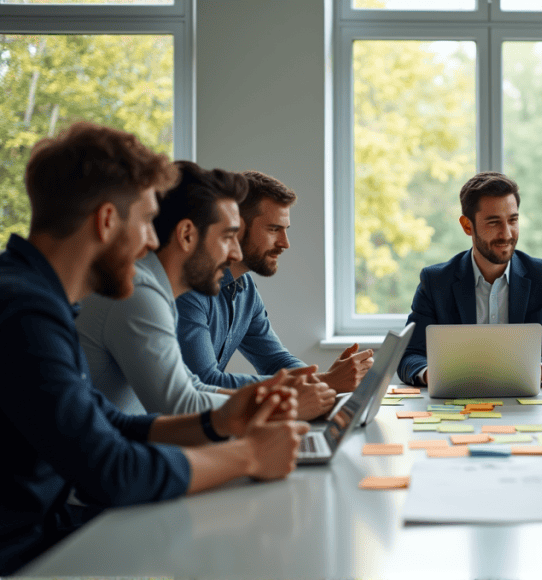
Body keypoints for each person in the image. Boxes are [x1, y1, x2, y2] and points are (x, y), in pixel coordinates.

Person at [0, 122, 311, 575]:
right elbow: (112, 470)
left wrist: (220, 420)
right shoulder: (23, 312)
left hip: (48, 533)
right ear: (107, 221)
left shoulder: (39, 298)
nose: (152, 241)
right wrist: (248, 455)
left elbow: (108, 423)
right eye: (146, 221)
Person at [76, 161, 336, 420]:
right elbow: (179, 405)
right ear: (187, 235)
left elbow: (194, 388)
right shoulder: (138, 293)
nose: (235, 252)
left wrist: (284, 397)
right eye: (227, 237)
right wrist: (284, 405)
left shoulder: (156, 291)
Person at [175, 170, 373, 394]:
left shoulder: (244, 288)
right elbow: (205, 381)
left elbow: (274, 360)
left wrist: (320, 382)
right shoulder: (190, 288)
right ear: (236, 228)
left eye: (285, 230)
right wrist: (324, 383)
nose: (285, 243)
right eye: (273, 229)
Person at [397, 171, 542, 385]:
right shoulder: (436, 282)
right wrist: (433, 375)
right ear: (467, 226)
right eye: (494, 223)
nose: (507, 233)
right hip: (457, 405)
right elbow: (408, 356)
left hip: (528, 406)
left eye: (513, 220)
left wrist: (536, 371)